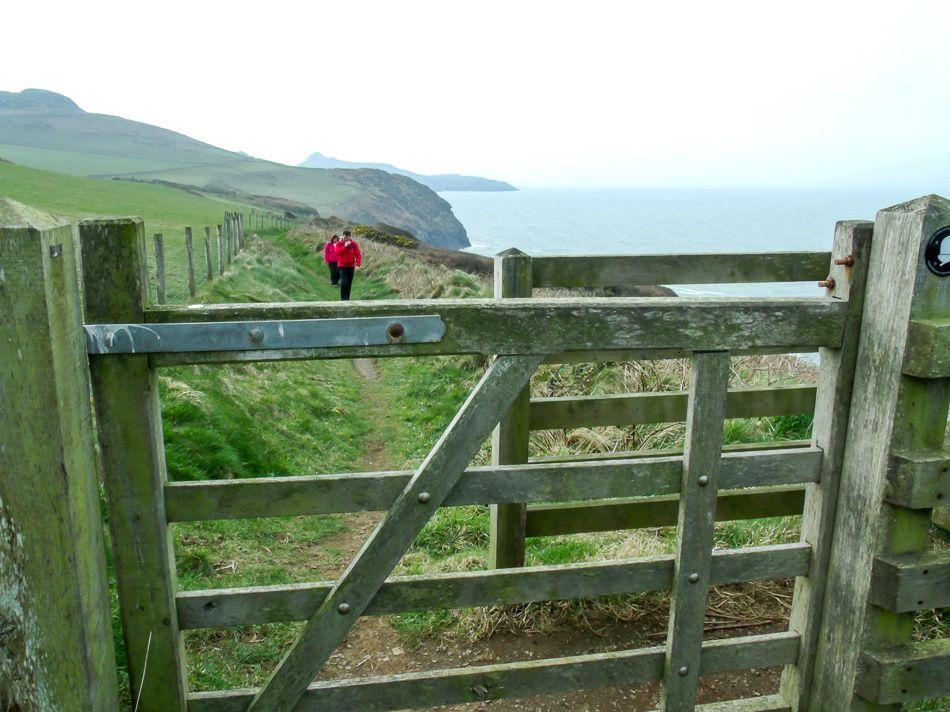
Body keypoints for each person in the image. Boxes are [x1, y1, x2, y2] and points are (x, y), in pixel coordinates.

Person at [335, 230, 362, 301]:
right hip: (342, 267)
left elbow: (358, 254)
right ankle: (343, 299)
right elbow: (337, 252)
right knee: (344, 283)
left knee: (349, 284)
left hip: (351, 267)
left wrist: (357, 264)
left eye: (348, 237)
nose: (346, 238)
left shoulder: (354, 244)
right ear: (343, 236)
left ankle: (347, 299)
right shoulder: (339, 243)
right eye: (345, 236)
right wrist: (345, 246)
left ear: (350, 237)